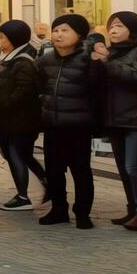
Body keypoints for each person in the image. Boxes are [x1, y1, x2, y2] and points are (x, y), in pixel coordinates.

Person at [37, 13, 101, 228]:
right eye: (55, 30)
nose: (58, 35)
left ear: (79, 34)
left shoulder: (88, 59)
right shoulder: (45, 60)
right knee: (54, 170)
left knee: (81, 170)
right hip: (52, 125)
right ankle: (58, 210)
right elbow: (38, 89)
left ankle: (83, 213)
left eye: (65, 30)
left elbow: (99, 89)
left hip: (78, 125)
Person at [0, 19, 46, 210]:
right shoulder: (7, 57)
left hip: (18, 120)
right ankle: (47, 182)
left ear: (14, 39)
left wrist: (5, 103)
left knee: (16, 154)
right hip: (6, 119)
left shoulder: (24, 61)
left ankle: (23, 196)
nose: (0, 41)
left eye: (3, 38)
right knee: (22, 155)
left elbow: (25, 90)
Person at [92, 10, 137, 230]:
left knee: (133, 167)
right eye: (111, 26)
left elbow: (134, 77)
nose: (113, 30)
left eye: (119, 26)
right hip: (114, 118)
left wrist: (107, 62)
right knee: (123, 167)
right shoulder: (111, 52)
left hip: (135, 118)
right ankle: (133, 209)